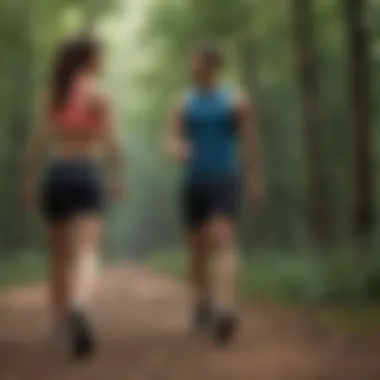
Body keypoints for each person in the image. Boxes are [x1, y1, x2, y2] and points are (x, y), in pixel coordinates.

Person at [20, 36, 125, 359]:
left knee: (59, 257)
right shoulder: (100, 95)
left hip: (58, 174)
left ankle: (60, 325)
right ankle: (80, 307)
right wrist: (118, 176)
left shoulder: (55, 91)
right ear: (90, 59)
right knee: (87, 250)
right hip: (87, 174)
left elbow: (39, 139)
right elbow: (111, 143)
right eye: (101, 55)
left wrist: (28, 180)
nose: (104, 60)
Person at [164, 44, 264, 344]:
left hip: (225, 177)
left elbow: (249, 141)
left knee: (223, 238)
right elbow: (168, 137)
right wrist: (177, 148)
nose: (192, 69)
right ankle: (201, 305)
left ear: (212, 66)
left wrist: (254, 177)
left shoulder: (235, 101)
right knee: (196, 249)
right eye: (191, 65)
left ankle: (225, 309)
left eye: (196, 64)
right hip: (194, 181)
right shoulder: (183, 102)